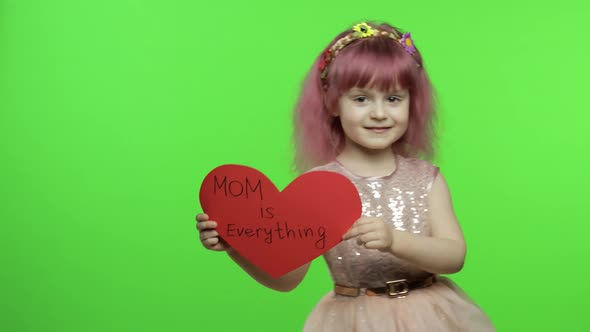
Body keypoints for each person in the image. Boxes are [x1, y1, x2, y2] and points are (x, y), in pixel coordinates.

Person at [196, 21, 495, 331]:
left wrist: (394, 240)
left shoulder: (425, 177)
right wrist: (237, 247)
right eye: (361, 99)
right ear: (333, 103)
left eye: (393, 98)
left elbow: (453, 256)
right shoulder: (317, 188)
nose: (379, 113)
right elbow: (286, 279)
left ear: (411, 102)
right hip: (353, 319)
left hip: (429, 317)